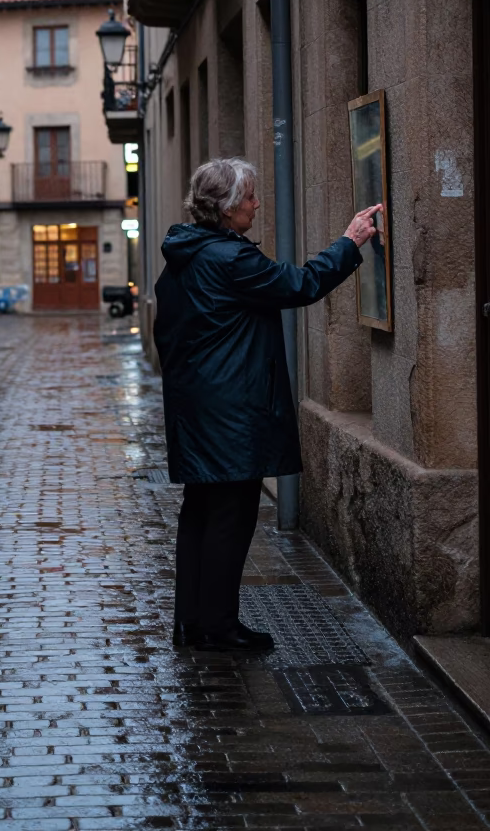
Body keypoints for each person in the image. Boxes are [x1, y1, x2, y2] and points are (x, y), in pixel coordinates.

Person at [154, 157, 381, 653]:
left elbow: (166, 335)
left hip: (200, 409)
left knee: (200, 513)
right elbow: (297, 285)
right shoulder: (230, 259)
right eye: (251, 197)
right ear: (230, 207)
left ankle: (193, 621)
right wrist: (350, 242)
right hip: (232, 412)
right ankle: (218, 626)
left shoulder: (185, 254)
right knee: (230, 518)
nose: (257, 204)